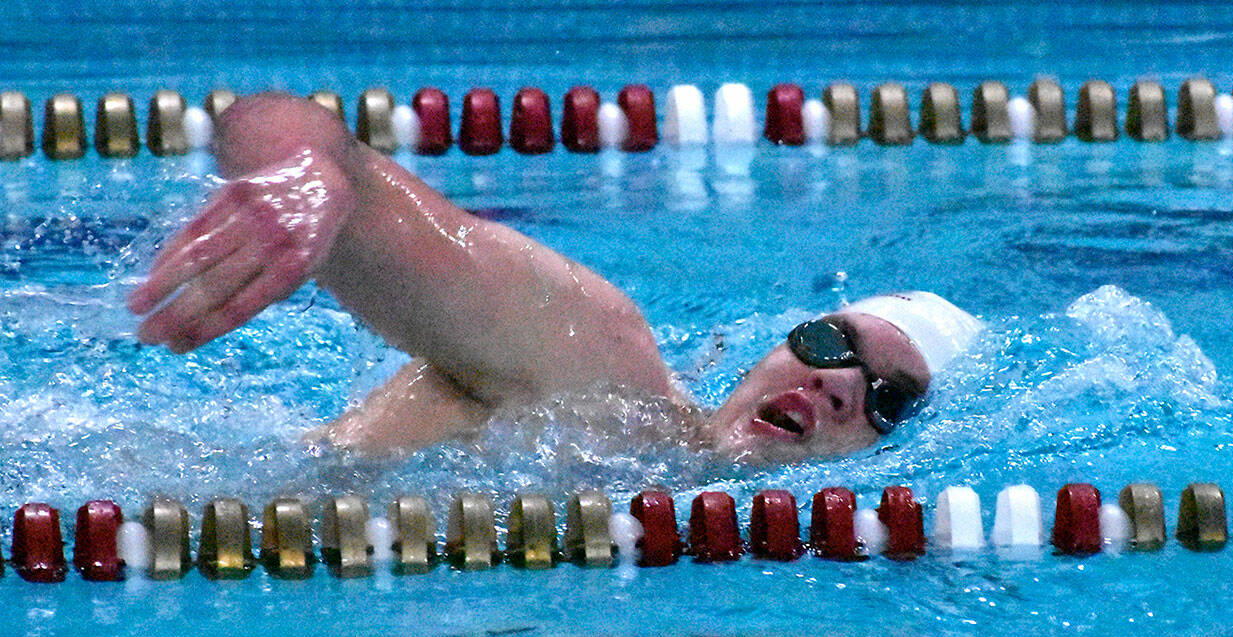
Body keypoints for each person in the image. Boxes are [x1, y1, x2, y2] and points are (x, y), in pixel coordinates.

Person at [127, 92, 981, 465]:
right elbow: (276, 121)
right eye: (831, 343)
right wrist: (310, 177)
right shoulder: (594, 363)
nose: (835, 382)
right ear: (776, 345)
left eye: (885, 397)